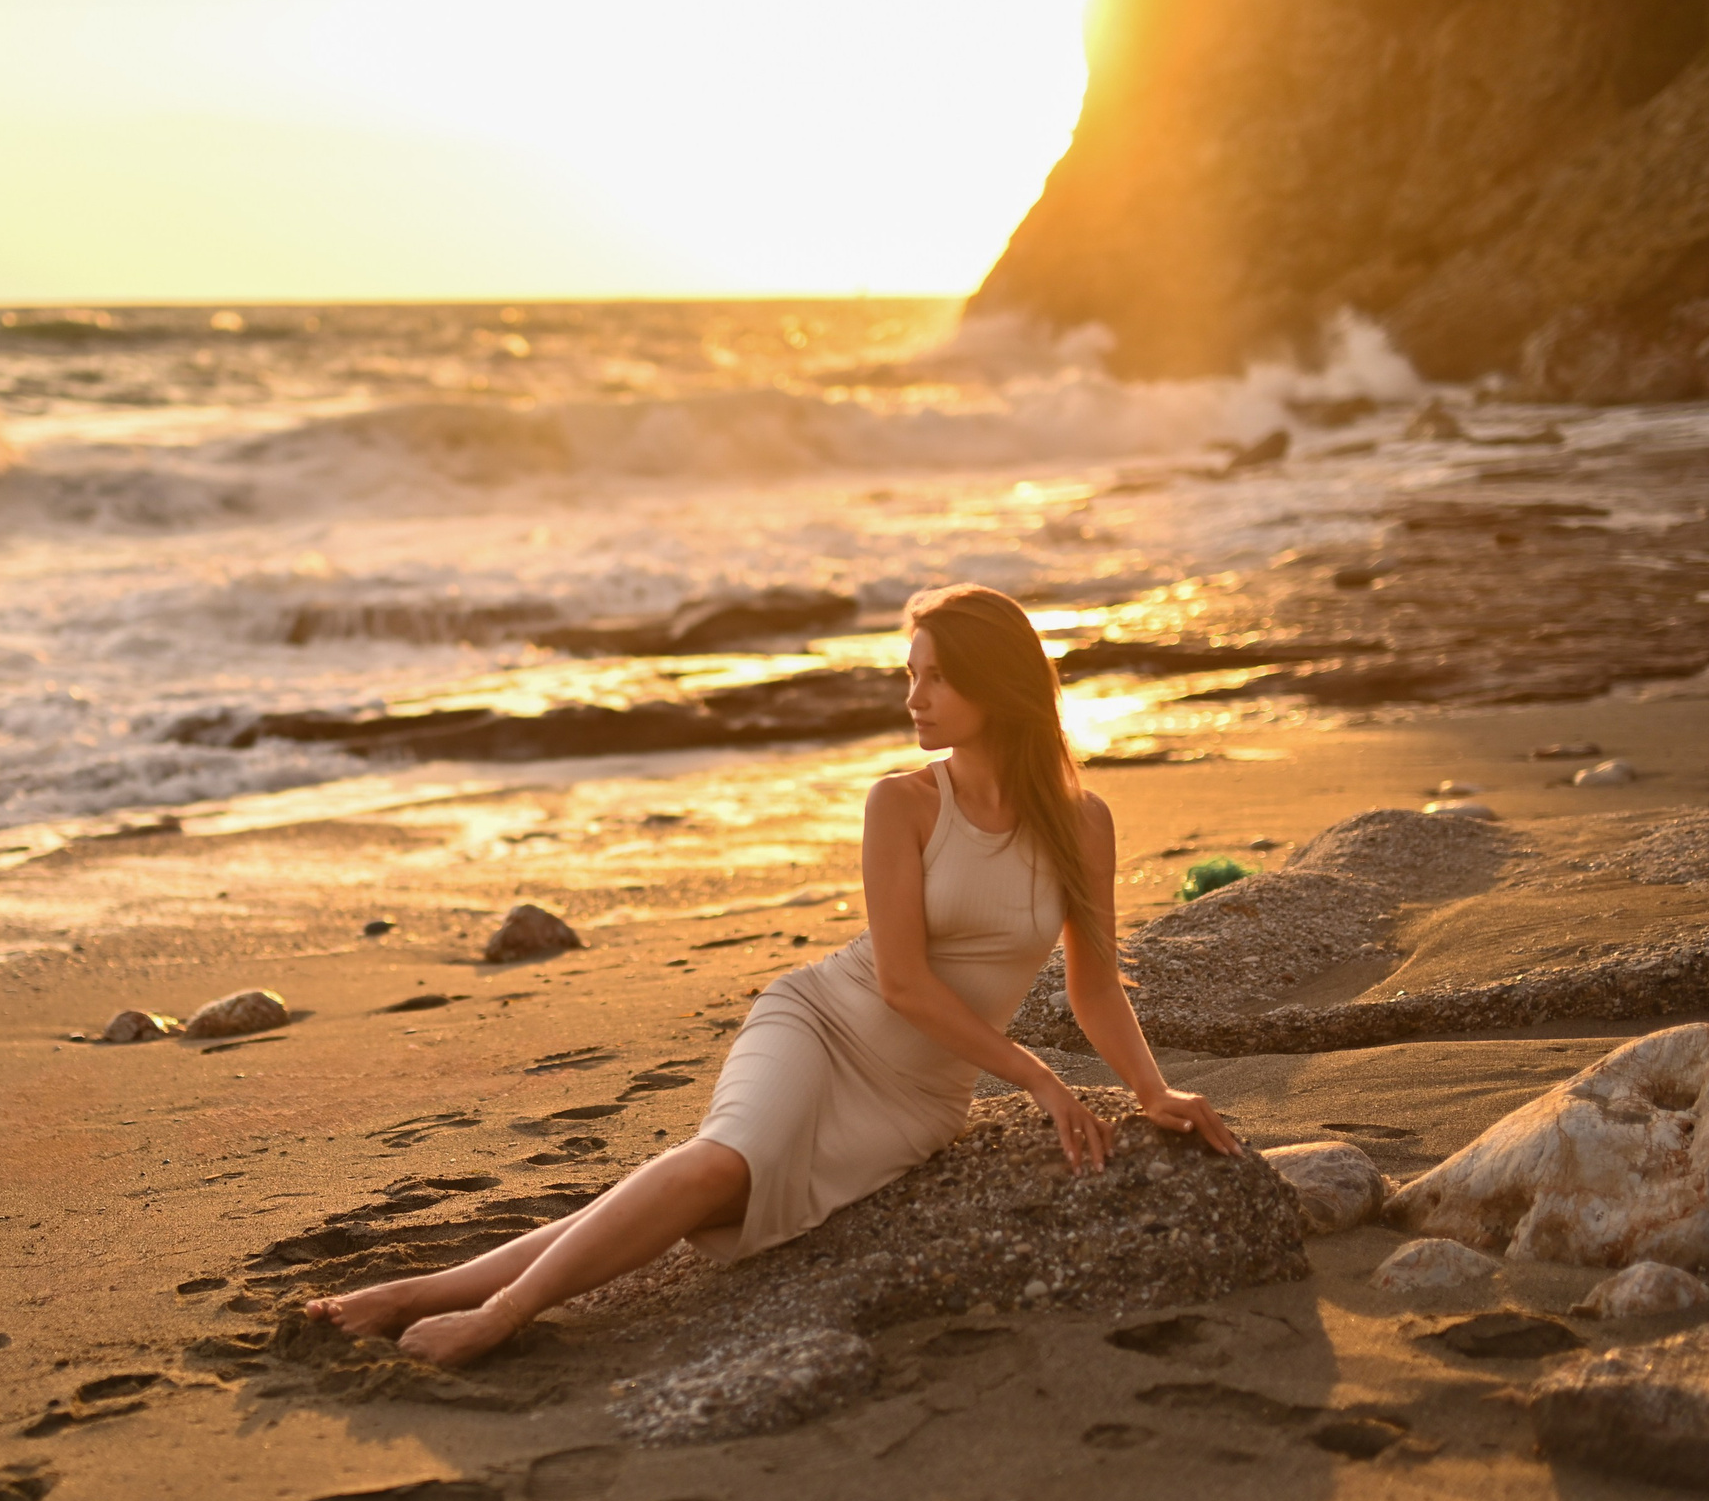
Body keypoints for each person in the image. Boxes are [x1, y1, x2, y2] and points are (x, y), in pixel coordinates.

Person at [306, 582, 1242, 1366]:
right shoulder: (904, 805)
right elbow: (903, 984)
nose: (912, 698)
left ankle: (417, 1289)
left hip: (918, 1097)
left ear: (997, 686)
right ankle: (496, 1314)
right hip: (824, 1023)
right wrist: (1041, 1080)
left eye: (936, 678)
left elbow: (1095, 984)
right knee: (720, 1163)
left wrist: (1152, 1090)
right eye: (908, 676)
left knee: (707, 1190)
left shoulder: (1085, 823)